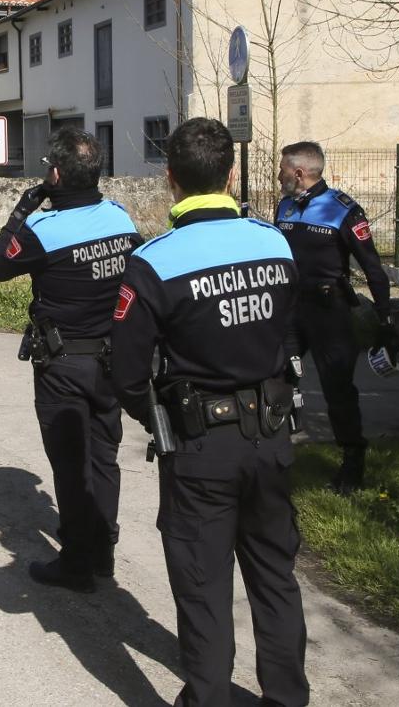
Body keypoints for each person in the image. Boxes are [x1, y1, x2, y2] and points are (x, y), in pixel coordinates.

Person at [111, 118, 309, 707]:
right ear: (230, 175)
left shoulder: (153, 262)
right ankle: (287, 698)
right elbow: (291, 332)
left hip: (201, 447)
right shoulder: (275, 242)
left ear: (169, 178)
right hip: (271, 438)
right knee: (275, 576)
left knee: (203, 584)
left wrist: (163, 420)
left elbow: (126, 374)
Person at [0, 128, 141, 593]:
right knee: (105, 458)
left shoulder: (43, 230)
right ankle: (104, 551)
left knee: (71, 465)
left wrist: (21, 210)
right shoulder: (120, 217)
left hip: (64, 364)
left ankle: (75, 564)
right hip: (111, 361)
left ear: (54, 174)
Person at [275, 141, 398, 493]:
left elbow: (372, 267)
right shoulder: (285, 206)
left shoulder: (343, 210)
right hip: (292, 311)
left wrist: (386, 320)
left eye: (283, 169)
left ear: (299, 173)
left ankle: (352, 461)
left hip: (329, 313)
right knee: (276, 377)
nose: (279, 175)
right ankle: (276, 454)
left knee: (338, 390)